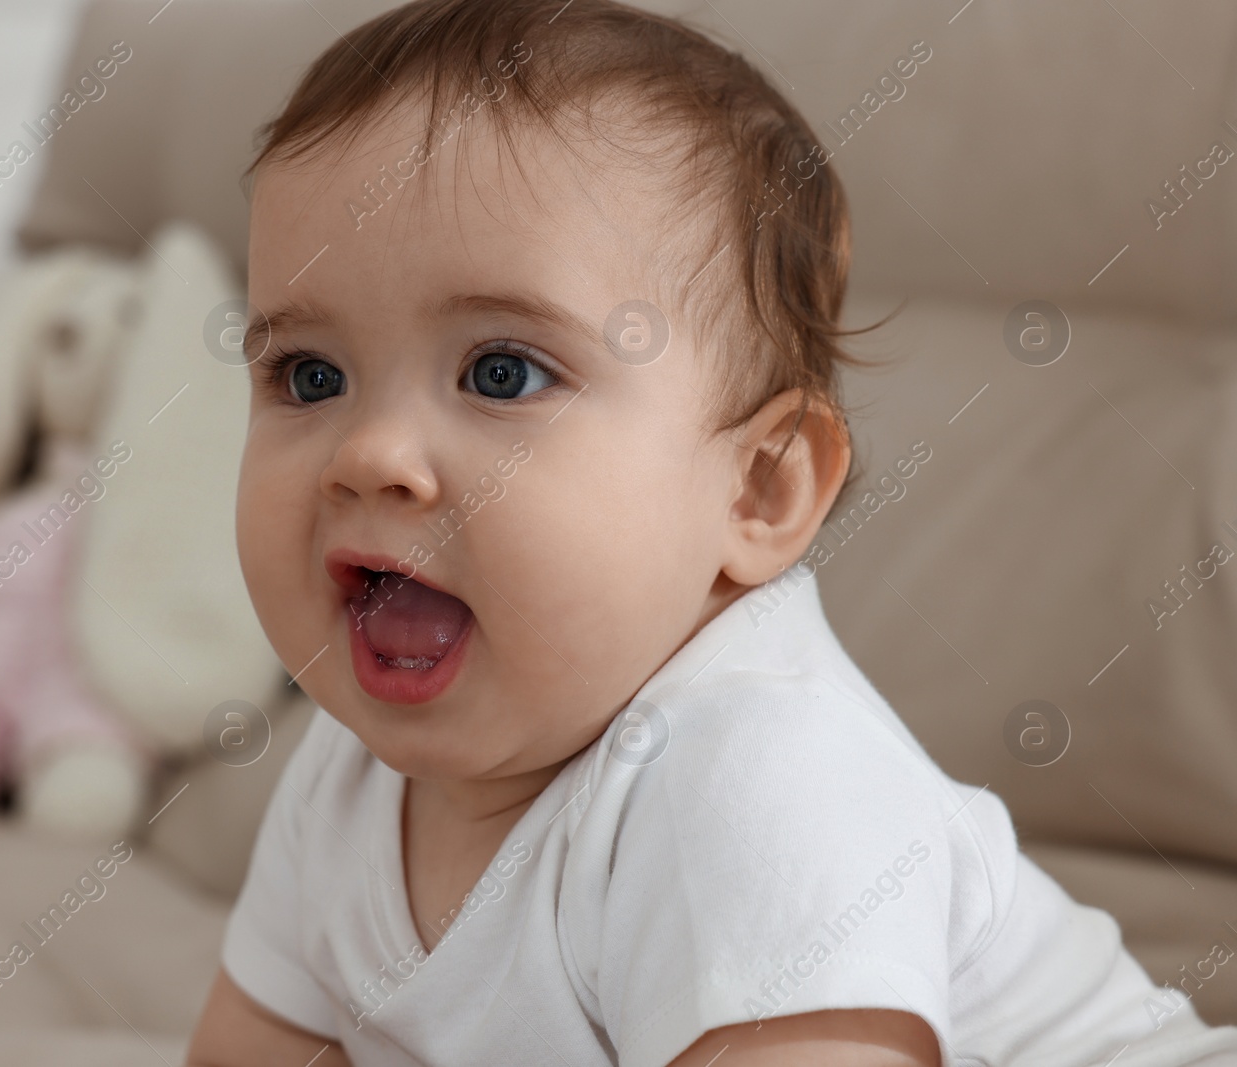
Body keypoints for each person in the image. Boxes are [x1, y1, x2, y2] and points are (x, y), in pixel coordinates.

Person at [186, 1, 1237, 1063]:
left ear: (760, 489)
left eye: (501, 372)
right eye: (308, 375)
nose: (369, 454)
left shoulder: (758, 776)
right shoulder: (344, 777)